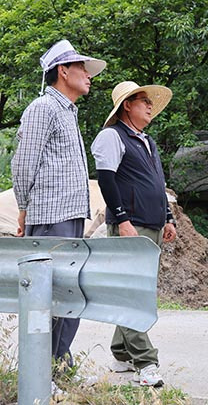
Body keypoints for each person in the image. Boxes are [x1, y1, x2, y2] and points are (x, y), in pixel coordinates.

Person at [11, 39, 106, 371]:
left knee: (69, 295)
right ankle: (43, 371)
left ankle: (57, 368)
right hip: (52, 218)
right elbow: (23, 164)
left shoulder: (67, 112)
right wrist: (23, 207)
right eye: (81, 67)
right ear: (63, 72)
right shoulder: (43, 108)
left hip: (69, 217)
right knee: (51, 297)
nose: (88, 74)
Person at [91, 81, 176, 387]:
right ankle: (146, 361)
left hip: (151, 225)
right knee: (130, 295)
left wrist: (168, 217)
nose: (150, 105)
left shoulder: (147, 141)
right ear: (127, 105)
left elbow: (157, 181)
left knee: (134, 292)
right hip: (130, 226)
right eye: (143, 100)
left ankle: (120, 352)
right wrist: (122, 220)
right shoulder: (112, 136)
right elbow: (107, 181)